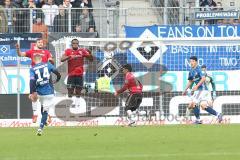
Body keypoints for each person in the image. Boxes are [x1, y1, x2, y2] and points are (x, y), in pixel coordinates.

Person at [16, 38, 54, 123]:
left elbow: (51, 61)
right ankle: (35, 114)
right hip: (36, 76)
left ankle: (48, 115)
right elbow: (20, 54)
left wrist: (51, 61)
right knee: (34, 96)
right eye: (39, 42)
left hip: (46, 77)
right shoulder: (31, 51)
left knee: (47, 97)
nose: (41, 43)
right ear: (36, 43)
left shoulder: (46, 52)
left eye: (42, 42)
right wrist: (18, 49)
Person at [183, 56, 222, 124]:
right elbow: (190, 81)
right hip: (199, 91)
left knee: (193, 103)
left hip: (202, 90)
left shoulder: (199, 69)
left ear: (196, 62)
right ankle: (218, 114)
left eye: (192, 61)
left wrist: (197, 86)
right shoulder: (191, 71)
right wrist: (185, 89)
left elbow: (203, 78)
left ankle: (198, 120)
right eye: (190, 61)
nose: (191, 63)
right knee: (203, 106)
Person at [29, 54, 61, 136]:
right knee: (45, 110)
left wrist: (32, 92)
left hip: (40, 93)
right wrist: (57, 80)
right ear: (41, 59)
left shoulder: (32, 69)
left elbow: (32, 81)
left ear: (33, 60)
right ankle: (40, 128)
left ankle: (42, 118)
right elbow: (58, 73)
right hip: (49, 92)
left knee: (43, 105)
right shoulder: (47, 64)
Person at [60, 38, 93, 109]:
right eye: (74, 43)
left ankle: (77, 106)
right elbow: (61, 59)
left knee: (78, 91)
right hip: (71, 75)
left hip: (79, 75)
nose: (75, 44)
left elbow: (91, 59)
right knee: (70, 91)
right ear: (71, 44)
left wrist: (90, 53)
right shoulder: (68, 51)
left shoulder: (82, 51)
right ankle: (69, 105)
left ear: (78, 44)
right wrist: (69, 57)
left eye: (76, 43)